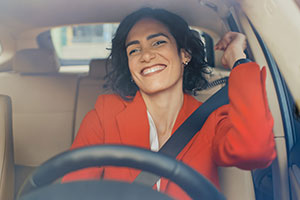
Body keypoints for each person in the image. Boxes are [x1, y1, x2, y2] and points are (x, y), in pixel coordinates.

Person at [62, 7, 276, 199]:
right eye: (134, 50)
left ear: (184, 54)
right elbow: (73, 190)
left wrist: (239, 60)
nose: (146, 55)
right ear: (130, 66)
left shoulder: (210, 119)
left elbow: (255, 151)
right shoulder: (105, 113)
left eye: (158, 42)